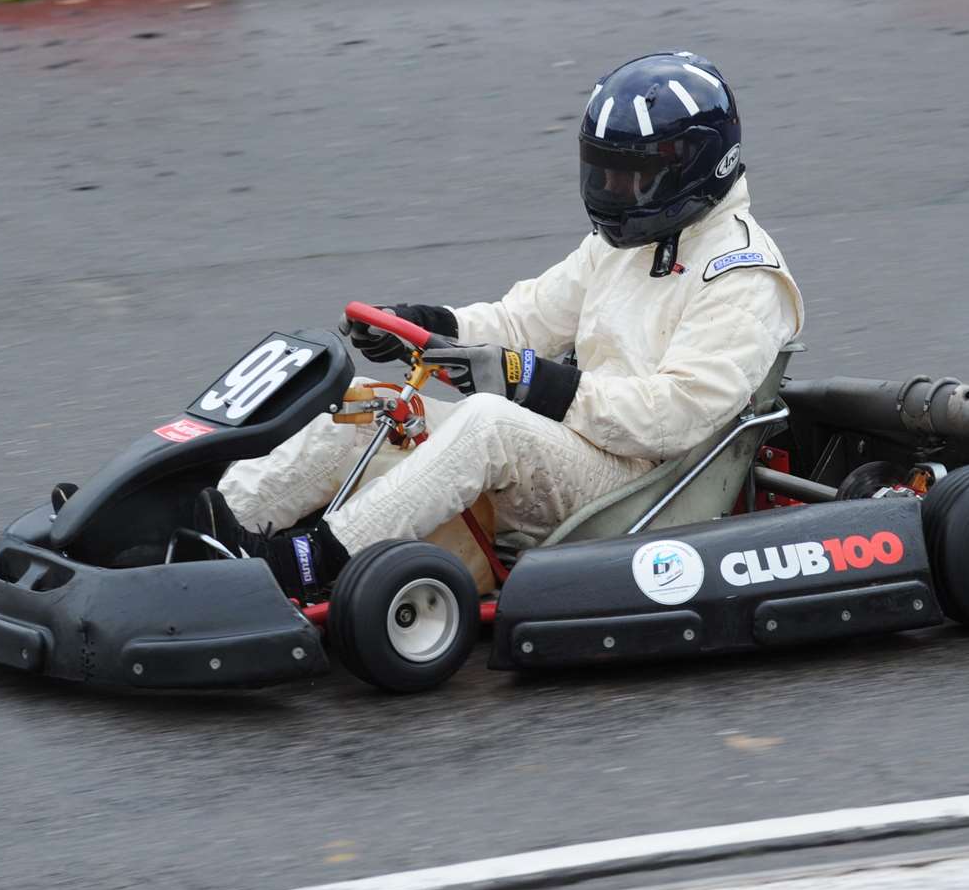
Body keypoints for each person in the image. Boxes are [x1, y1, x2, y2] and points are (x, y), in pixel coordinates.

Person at [196, 52, 804, 598]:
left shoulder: (742, 277)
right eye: (606, 171)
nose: (615, 189)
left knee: (491, 422)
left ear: (696, 165)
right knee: (367, 408)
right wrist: (430, 327)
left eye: (634, 174)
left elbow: (676, 416)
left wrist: (538, 385)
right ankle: (213, 529)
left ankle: (308, 564)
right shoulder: (624, 244)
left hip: (647, 487)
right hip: (580, 445)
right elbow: (524, 320)